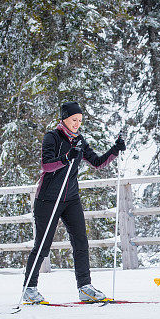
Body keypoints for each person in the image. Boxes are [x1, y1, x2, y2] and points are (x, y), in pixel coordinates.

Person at [22, 101, 126, 304]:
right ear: (64, 119)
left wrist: (115, 150)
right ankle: (29, 288)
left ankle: (85, 287)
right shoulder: (52, 137)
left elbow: (97, 162)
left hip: (71, 198)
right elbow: (47, 165)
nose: (77, 124)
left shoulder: (80, 140)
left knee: (80, 241)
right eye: (73, 120)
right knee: (42, 245)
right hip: (48, 199)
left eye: (80, 120)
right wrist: (67, 157)